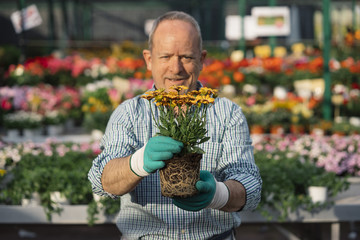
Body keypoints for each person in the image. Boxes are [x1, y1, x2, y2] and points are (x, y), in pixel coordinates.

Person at [88, 11, 262, 240]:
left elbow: (250, 185)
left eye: (187, 57)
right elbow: (102, 181)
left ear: (202, 59)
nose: (176, 68)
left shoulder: (227, 113)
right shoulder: (129, 113)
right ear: (149, 59)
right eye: (165, 56)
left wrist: (217, 194)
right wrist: (138, 162)